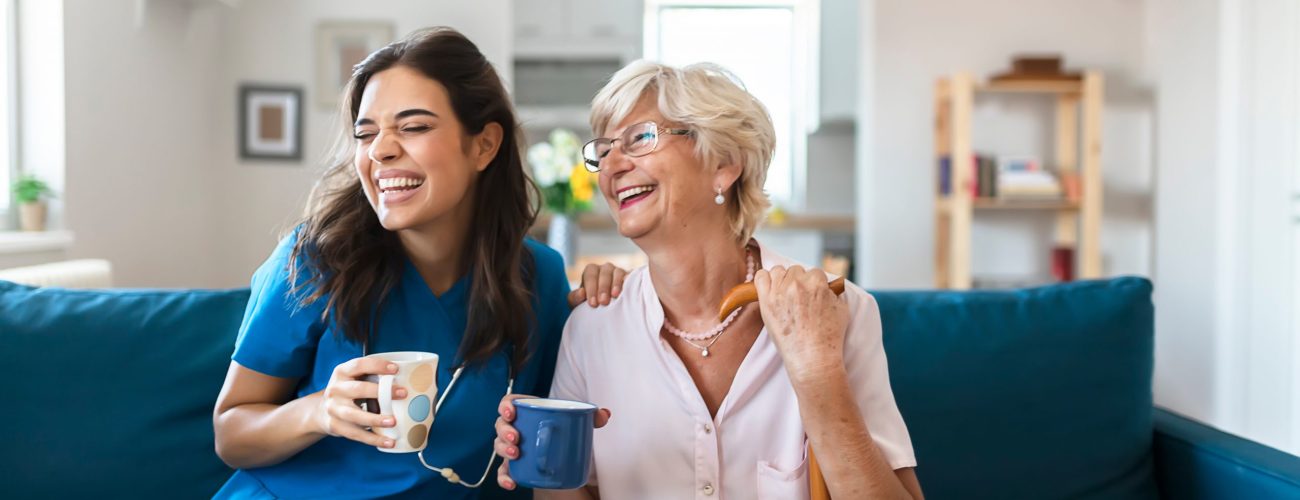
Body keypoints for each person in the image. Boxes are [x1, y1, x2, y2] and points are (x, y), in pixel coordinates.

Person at [212, 27, 620, 499]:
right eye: (366, 134)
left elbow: (552, 431)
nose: (380, 150)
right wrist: (319, 411)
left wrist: (611, 299)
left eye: (413, 126)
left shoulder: (539, 279)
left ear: (484, 145)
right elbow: (231, 433)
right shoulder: (316, 259)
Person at [494, 60, 924, 499]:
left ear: (724, 163)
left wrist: (818, 375)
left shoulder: (837, 310)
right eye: (603, 151)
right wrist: (540, 459)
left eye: (641, 138)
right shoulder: (592, 328)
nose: (612, 166)